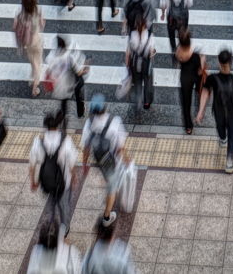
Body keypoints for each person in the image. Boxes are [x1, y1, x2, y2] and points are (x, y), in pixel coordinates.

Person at [81, 93, 129, 226]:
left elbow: (86, 146)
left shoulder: (89, 123)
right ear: (105, 107)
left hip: (100, 160)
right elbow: (120, 147)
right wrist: (127, 158)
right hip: (113, 161)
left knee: (109, 179)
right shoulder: (115, 121)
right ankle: (107, 217)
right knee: (112, 188)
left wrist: (84, 164)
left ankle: (110, 185)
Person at [30, 110, 79, 237]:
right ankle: (64, 231)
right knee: (64, 206)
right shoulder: (66, 141)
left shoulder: (38, 142)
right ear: (58, 126)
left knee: (51, 204)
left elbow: (32, 165)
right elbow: (72, 163)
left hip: (47, 181)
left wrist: (33, 182)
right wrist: (74, 177)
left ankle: (50, 227)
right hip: (64, 182)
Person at [196, 49, 233, 173]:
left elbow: (205, 93)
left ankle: (223, 139)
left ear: (218, 62)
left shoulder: (212, 78)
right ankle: (229, 162)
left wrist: (200, 111)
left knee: (221, 128)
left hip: (219, 111)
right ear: (232, 62)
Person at [15, 0, 47, 97]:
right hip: (36, 40)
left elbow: (15, 28)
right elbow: (42, 25)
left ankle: (32, 77)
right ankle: (34, 88)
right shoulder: (37, 12)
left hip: (27, 42)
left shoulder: (21, 15)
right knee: (39, 63)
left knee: (33, 61)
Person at [125, 14, 156, 110]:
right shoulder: (149, 35)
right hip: (145, 64)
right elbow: (152, 52)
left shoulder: (132, 35)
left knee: (137, 83)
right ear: (145, 24)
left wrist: (127, 67)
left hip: (134, 64)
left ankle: (138, 101)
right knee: (147, 82)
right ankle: (146, 102)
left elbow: (128, 53)